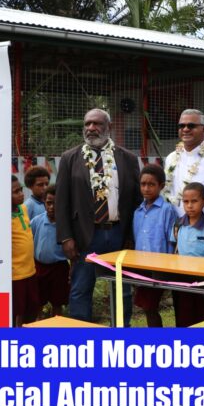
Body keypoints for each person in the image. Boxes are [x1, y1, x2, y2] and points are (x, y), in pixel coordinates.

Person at [55, 108, 141, 324]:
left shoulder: (128, 159)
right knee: (80, 289)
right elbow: (61, 201)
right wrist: (65, 237)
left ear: (108, 127)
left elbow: (135, 201)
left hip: (119, 235)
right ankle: (82, 336)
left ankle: (121, 333)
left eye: (97, 124)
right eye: (87, 124)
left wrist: (132, 234)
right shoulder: (69, 158)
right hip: (85, 235)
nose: (91, 128)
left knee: (122, 289)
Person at [171, 182, 204, 326]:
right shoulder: (178, 225)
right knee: (185, 316)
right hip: (183, 280)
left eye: (194, 201)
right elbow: (174, 250)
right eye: (186, 202)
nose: (190, 205)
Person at [132, 165, 178, 327]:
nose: (146, 188)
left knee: (150, 306)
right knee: (147, 307)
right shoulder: (138, 212)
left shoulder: (167, 210)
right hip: (141, 268)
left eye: (151, 184)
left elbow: (172, 241)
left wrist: (168, 269)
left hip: (159, 268)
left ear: (161, 186)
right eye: (143, 184)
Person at [163, 109, 204, 219]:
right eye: (181, 126)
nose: (185, 129)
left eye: (191, 125)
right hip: (177, 226)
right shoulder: (171, 158)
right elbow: (169, 191)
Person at [30, 184, 69, 318]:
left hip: (59, 269)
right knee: (37, 302)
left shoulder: (66, 224)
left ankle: (56, 331)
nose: (52, 207)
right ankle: (38, 327)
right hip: (39, 268)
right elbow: (30, 240)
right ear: (44, 203)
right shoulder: (37, 221)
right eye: (49, 203)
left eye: (56, 203)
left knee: (57, 303)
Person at [11, 175, 39, 327]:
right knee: (16, 310)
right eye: (16, 192)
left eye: (21, 190)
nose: (21, 194)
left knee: (32, 307)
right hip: (16, 275)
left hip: (31, 271)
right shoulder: (2, 218)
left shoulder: (23, 209)